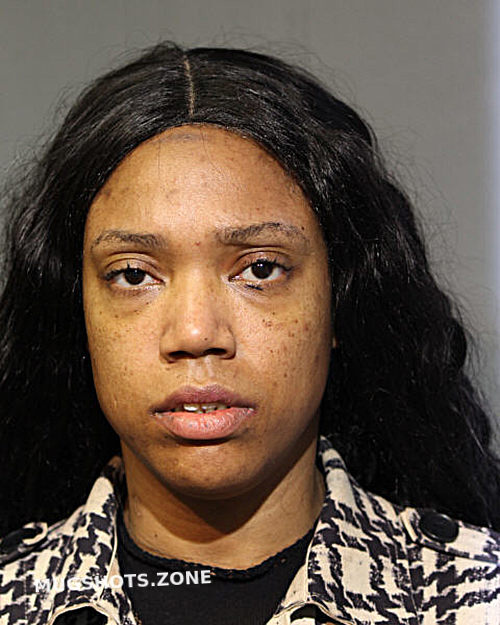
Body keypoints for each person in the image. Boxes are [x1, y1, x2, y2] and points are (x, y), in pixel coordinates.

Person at [0, 42, 499, 625]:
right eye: (134, 275)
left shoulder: (478, 596)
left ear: (340, 301)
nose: (195, 333)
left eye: (260, 269)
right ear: (78, 313)